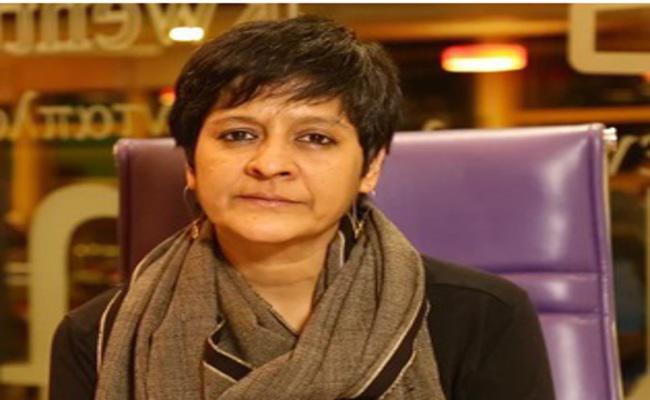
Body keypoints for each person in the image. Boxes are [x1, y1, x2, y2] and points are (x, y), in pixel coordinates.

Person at [49, 16, 554, 400]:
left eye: (315, 138)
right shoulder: (99, 335)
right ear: (191, 165)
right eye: (238, 134)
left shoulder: (482, 318)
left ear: (370, 167)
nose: (270, 164)